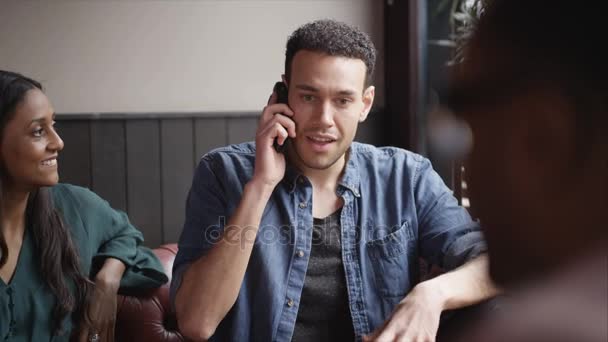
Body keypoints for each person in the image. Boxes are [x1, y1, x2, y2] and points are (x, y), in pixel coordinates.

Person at [172, 19, 498, 341]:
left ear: (364, 104)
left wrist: (432, 294)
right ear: (283, 94)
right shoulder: (222, 172)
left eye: (342, 100)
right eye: (309, 97)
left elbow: (494, 262)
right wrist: (260, 186)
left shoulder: (407, 177)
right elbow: (196, 324)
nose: (324, 120)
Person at [445, 0, 608, 341]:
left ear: (542, 137)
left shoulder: (547, 329)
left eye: (475, 136)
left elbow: (468, 247)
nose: (470, 182)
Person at [0, 70, 168, 342]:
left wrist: (108, 280)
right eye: (38, 131)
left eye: (54, 126)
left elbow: (131, 242)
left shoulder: (73, 206)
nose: (58, 142)